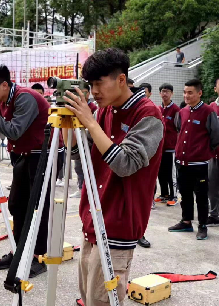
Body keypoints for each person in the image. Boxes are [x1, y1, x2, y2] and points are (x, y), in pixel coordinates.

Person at [63, 48, 164, 305]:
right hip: (94, 215)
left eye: (99, 83)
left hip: (119, 221)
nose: (94, 91)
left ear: (121, 80)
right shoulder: (103, 110)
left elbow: (125, 164)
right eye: (90, 84)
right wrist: (70, 124)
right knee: (88, 294)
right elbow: (77, 152)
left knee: (103, 298)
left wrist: (90, 122)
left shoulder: (148, 114)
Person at [0, 65, 55, 278]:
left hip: (40, 155)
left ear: (4, 85)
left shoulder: (25, 98)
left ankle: (38, 258)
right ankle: (18, 251)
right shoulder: (3, 101)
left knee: (38, 208)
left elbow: (15, 130)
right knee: (17, 205)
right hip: (22, 156)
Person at [168, 79, 219, 240]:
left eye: (190, 92)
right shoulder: (182, 111)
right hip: (182, 162)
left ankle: (202, 225)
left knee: (201, 197)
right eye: (185, 92)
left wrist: (203, 152)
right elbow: (179, 129)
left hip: (199, 164)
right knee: (185, 194)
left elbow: (215, 136)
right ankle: (186, 221)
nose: (186, 95)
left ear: (199, 93)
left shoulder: (207, 111)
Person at [69, 85, 97, 199]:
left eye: (85, 92)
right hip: (78, 140)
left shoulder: (93, 108)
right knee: (78, 166)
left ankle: (88, 189)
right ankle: (81, 188)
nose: (82, 95)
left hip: (89, 141)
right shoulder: (75, 107)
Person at [155, 83, 179, 206]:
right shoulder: (158, 109)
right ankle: (164, 194)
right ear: (160, 93)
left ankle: (174, 196)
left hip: (171, 147)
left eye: (167, 91)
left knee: (171, 173)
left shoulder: (175, 109)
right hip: (160, 147)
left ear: (172, 94)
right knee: (161, 172)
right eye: (163, 91)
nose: (165, 94)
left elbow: (179, 127)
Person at [208, 78, 219, 226]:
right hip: (214, 154)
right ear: (215, 89)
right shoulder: (211, 108)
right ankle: (214, 214)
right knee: (213, 184)